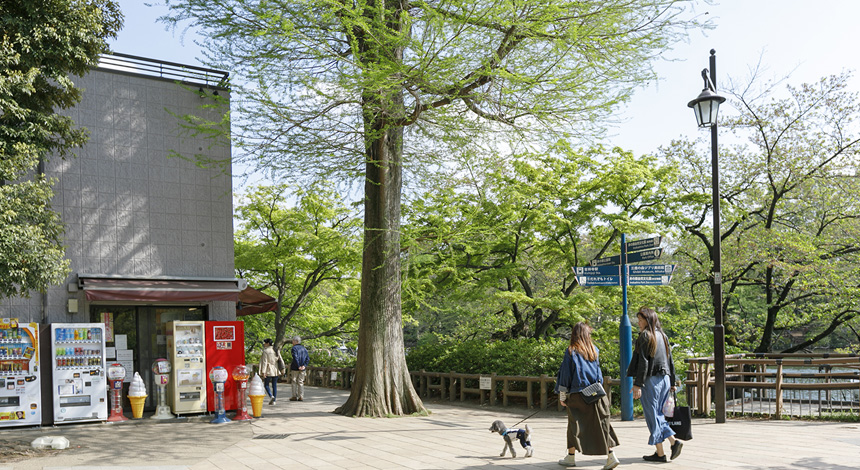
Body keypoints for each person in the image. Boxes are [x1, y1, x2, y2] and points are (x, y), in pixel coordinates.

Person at [555, 322, 620, 469]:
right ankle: (611, 456)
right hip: (595, 393)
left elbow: (566, 376)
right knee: (603, 424)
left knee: (574, 425)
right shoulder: (594, 350)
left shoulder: (571, 351)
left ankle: (571, 458)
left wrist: (562, 396)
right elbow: (599, 376)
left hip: (578, 395)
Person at [626, 307, 683, 462]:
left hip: (651, 380)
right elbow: (670, 360)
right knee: (657, 415)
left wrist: (638, 384)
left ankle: (673, 442)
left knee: (653, 416)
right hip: (664, 379)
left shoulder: (645, 336)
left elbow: (643, 362)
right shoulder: (662, 335)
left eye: (641, 319)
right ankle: (660, 453)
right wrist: (672, 382)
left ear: (649, 319)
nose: (638, 322)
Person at [258, 338, 282, 405]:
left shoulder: (266, 351)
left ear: (268, 343)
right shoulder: (276, 350)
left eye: (265, 342)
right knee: (274, 385)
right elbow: (279, 359)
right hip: (275, 369)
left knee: (266, 385)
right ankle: (274, 400)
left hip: (268, 369)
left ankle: (271, 396)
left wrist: (263, 371)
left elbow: (265, 362)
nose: (264, 344)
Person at [289, 335, 309, 401]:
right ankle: (301, 396)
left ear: (296, 341)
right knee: (301, 382)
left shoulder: (294, 348)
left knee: (294, 381)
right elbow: (307, 358)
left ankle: (294, 396)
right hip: (303, 368)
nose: (292, 342)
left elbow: (295, 357)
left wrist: (298, 366)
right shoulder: (304, 349)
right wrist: (304, 365)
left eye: (293, 341)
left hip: (295, 367)